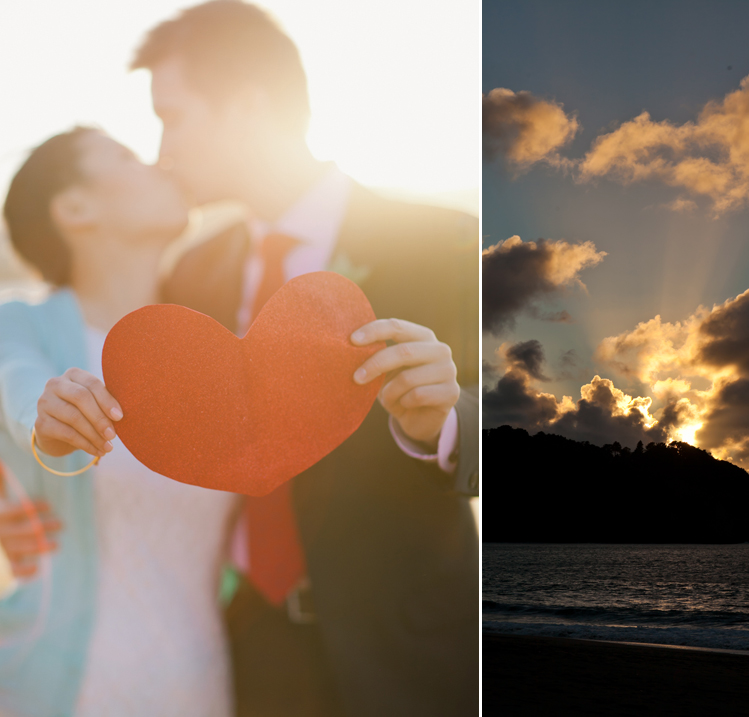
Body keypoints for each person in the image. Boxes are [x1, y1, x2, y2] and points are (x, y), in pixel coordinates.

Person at [131, 2, 479, 716]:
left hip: (406, 653)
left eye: (175, 116)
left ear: (250, 105)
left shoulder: (444, 242)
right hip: (244, 646)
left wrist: (442, 422)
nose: (163, 148)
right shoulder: (191, 274)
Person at [0, 127, 238, 717]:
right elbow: (21, 389)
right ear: (75, 208)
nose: (159, 164)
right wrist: (46, 423)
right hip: (60, 689)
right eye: (125, 157)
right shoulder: (22, 328)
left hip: (204, 688)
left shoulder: (216, 349)